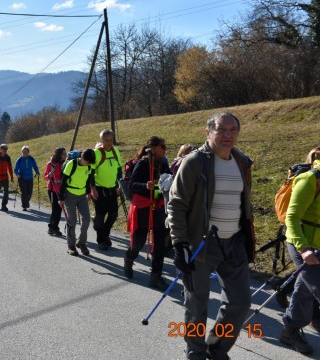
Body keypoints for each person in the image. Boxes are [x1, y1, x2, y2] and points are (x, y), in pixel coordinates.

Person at [167, 112, 255, 360]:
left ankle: (216, 348)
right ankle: (195, 351)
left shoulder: (241, 162)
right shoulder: (195, 162)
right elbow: (176, 204)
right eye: (221, 130)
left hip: (235, 241)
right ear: (208, 133)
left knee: (240, 303)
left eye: (233, 130)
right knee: (198, 304)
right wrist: (180, 244)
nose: (228, 135)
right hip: (202, 244)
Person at [279, 154, 320, 354]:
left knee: (306, 287)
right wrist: (304, 249)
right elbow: (292, 218)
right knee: (315, 283)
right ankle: (292, 330)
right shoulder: (310, 179)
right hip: (301, 241)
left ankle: (298, 327)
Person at [123, 136, 171, 290]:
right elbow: (132, 185)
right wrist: (146, 185)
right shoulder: (143, 163)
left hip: (158, 206)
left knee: (160, 243)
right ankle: (129, 259)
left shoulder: (164, 164)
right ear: (154, 148)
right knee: (139, 240)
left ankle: (156, 276)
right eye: (162, 146)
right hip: (143, 206)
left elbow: (170, 180)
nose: (165, 149)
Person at [59, 148, 96, 256]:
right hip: (69, 196)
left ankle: (81, 242)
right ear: (82, 157)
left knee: (87, 218)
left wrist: (89, 193)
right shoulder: (71, 164)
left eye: (90, 163)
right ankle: (71, 246)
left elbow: (88, 179)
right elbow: (63, 182)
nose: (88, 164)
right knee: (72, 221)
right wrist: (61, 199)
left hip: (82, 196)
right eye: (87, 162)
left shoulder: (88, 165)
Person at [91, 130, 123, 250]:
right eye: (106, 140)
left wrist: (120, 185)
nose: (109, 143)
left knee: (114, 214)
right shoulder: (97, 153)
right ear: (102, 141)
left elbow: (119, 169)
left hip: (112, 188)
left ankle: (104, 234)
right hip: (99, 189)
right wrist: (93, 188)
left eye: (111, 140)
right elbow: (91, 172)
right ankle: (101, 240)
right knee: (100, 216)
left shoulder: (116, 152)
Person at [44, 147, 66, 236]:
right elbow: (45, 176)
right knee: (55, 209)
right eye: (64, 154)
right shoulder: (51, 164)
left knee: (58, 209)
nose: (66, 155)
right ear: (59, 155)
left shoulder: (66, 164)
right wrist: (49, 175)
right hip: (52, 189)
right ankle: (54, 228)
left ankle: (52, 227)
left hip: (61, 190)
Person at [14, 146, 40, 211]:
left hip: (30, 177)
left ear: (28, 152)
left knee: (29, 192)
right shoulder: (19, 160)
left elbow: (35, 166)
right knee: (24, 192)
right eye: (23, 151)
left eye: (26, 151)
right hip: (22, 178)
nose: (25, 153)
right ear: (22, 152)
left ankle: (27, 202)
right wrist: (17, 174)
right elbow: (15, 169)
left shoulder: (31, 159)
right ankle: (24, 206)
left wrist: (37, 172)